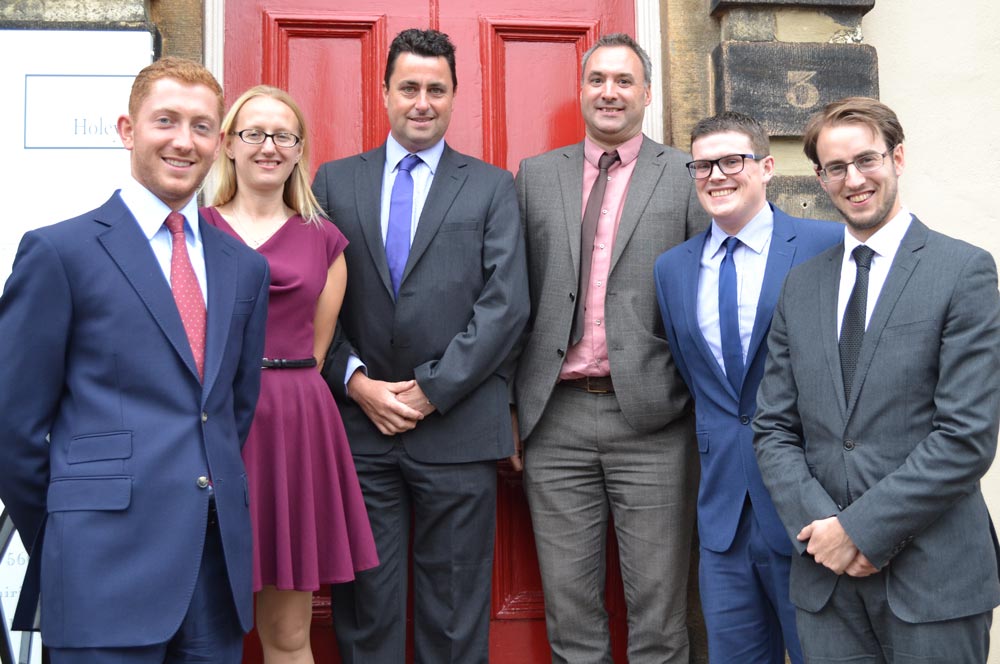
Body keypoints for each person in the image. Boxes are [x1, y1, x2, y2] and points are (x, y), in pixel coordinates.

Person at [0, 57, 270, 663]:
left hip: (213, 578)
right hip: (100, 571)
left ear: (220, 143)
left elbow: (231, 411)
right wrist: (71, 525)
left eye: (202, 127)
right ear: (127, 129)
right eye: (165, 121)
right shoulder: (59, 253)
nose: (184, 140)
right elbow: (11, 425)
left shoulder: (243, 268)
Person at [753, 97, 1000, 662]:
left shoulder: (962, 270)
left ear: (898, 157)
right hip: (826, 586)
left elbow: (965, 436)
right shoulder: (800, 288)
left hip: (934, 580)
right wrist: (825, 531)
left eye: (867, 160)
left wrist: (860, 532)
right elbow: (774, 429)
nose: (854, 179)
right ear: (819, 177)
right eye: (836, 168)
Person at [311, 28, 529, 664]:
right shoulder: (334, 181)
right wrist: (353, 380)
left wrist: (433, 389)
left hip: (458, 428)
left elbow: (505, 304)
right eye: (409, 87)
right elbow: (312, 300)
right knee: (365, 610)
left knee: (456, 616)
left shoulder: (491, 187)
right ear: (384, 93)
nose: (422, 101)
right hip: (359, 426)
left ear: (455, 95)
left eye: (437, 89)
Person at [513, 32, 708, 663]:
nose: (609, 92)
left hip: (653, 419)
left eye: (624, 80)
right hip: (555, 420)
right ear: (581, 91)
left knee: (659, 615)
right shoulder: (536, 177)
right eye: (597, 79)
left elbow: (709, 294)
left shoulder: (685, 175)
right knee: (571, 616)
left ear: (647, 93)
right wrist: (509, 412)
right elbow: (512, 299)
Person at [653, 111, 842, 663]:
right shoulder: (672, 269)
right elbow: (702, 384)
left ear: (765, 167)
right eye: (703, 165)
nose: (716, 175)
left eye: (731, 161)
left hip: (809, 508)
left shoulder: (823, 244)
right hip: (723, 518)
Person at [202, 85, 378, 663]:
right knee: (203, 627)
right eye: (254, 133)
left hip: (295, 425)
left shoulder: (324, 239)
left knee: (287, 634)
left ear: (300, 150)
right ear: (228, 144)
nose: (269, 146)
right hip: (211, 426)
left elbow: (319, 346)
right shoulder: (193, 232)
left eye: (284, 135)